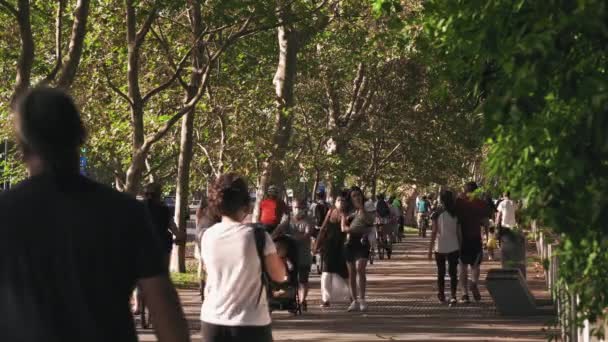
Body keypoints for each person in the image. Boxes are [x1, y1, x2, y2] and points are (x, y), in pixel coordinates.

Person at [0, 87, 189, 342]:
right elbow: (165, 311)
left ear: (22, 146)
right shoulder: (126, 213)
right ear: (79, 136)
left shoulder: (6, 213)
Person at [200, 173, 286, 342]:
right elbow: (279, 275)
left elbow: (207, 270)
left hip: (212, 321)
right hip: (251, 324)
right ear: (246, 205)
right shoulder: (257, 236)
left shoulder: (206, 236)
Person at [273, 198, 314, 311]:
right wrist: (271, 238)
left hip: (303, 254)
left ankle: (302, 301)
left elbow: (307, 234)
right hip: (290, 255)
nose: (298, 210)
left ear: (305, 208)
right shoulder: (288, 219)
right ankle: (290, 300)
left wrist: (292, 238)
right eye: (296, 207)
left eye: (300, 207)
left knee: (302, 279)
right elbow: (278, 229)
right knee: (289, 279)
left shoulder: (309, 220)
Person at [454, 181, 491, 303]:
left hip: (461, 239)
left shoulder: (459, 203)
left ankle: (464, 294)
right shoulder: (482, 204)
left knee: (462, 267)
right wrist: (487, 238)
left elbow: (455, 221)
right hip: (476, 238)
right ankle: (474, 283)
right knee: (475, 266)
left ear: (465, 190)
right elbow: (486, 223)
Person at [313, 191, 349, 308]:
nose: (341, 202)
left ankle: (352, 296)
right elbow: (323, 229)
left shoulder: (347, 215)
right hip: (328, 247)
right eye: (338, 200)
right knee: (326, 273)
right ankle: (325, 299)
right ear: (335, 202)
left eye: (343, 201)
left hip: (341, 247)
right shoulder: (329, 212)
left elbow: (346, 230)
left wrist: (344, 217)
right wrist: (316, 244)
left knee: (345, 273)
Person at [342, 186, 373, 312]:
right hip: (349, 242)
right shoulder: (347, 211)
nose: (357, 197)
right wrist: (357, 229)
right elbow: (343, 228)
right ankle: (354, 300)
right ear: (350, 197)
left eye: (358, 195)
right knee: (352, 272)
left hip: (362, 241)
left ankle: (362, 299)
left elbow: (370, 223)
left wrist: (361, 208)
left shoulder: (368, 207)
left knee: (360, 269)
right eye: (354, 195)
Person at [428, 190, 461, 305]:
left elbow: (434, 232)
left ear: (441, 199)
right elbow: (458, 232)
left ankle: (441, 294)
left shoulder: (436, 213)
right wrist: (461, 246)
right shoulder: (456, 213)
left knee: (440, 272)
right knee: (453, 273)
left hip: (440, 246)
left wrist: (430, 250)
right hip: (454, 245)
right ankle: (453, 296)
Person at [195, 197, 218, 302]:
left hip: (200, 228)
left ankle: (201, 285)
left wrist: (197, 227)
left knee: (202, 260)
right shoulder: (219, 201)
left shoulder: (205, 200)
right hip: (212, 229)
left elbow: (197, 215)